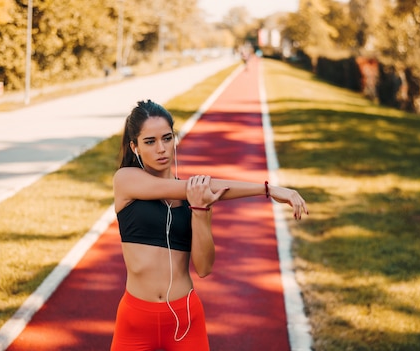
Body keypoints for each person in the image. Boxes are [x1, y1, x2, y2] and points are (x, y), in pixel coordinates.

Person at [110, 100, 308, 351]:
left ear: (175, 139)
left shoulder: (195, 196)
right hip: (135, 318)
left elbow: (204, 268)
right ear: (134, 146)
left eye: (167, 138)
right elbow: (199, 186)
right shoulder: (125, 180)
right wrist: (268, 189)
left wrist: (201, 211)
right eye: (150, 141)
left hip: (185, 317)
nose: (161, 148)